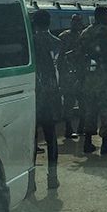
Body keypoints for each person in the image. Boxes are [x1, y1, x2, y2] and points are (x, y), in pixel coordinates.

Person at [77, 6, 107, 155]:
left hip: (89, 75)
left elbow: (81, 54)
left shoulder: (85, 33)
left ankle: (88, 142)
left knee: (90, 109)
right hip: (104, 73)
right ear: (102, 16)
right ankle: (105, 143)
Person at [31, 10, 62, 189]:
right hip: (52, 95)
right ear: (49, 23)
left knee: (32, 140)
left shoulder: (30, 42)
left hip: (34, 95)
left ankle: (31, 180)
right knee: (51, 138)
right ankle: (53, 177)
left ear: (34, 24)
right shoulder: (57, 42)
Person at [57, 12, 85, 139]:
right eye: (74, 21)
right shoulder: (64, 36)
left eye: (78, 21)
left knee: (84, 102)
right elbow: (60, 57)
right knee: (68, 103)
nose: (76, 23)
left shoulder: (83, 37)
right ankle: (68, 129)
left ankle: (81, 128)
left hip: (80, 73)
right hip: (68, 74)